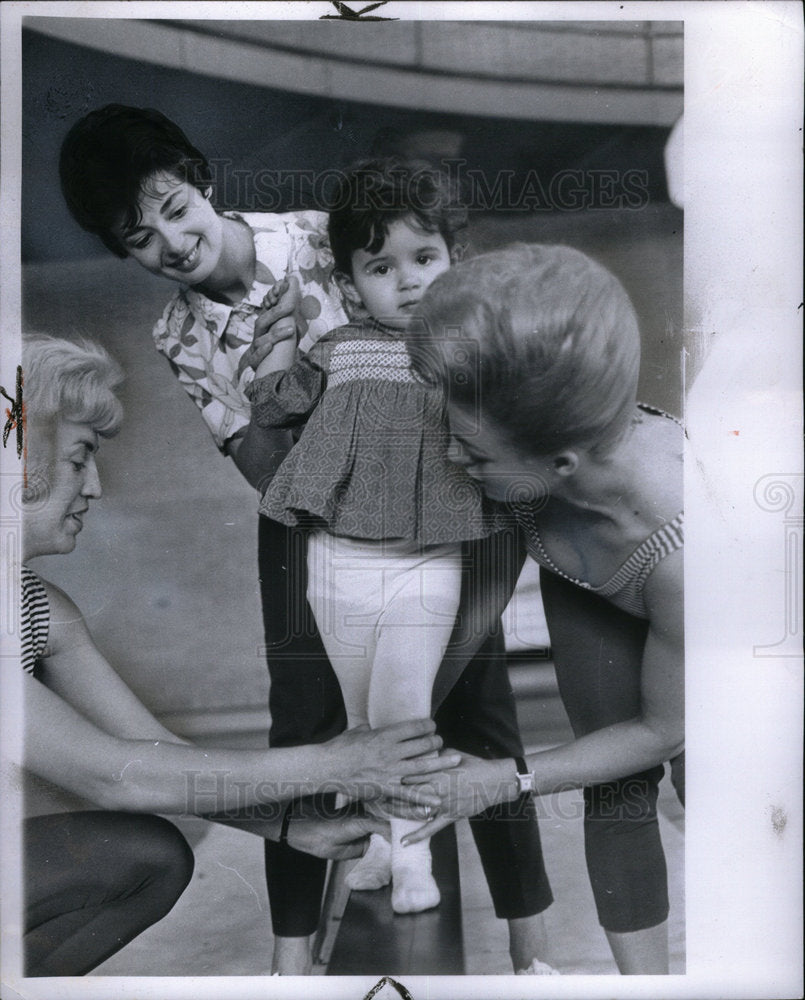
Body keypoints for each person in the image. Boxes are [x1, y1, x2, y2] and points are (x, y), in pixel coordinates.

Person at [58, 106, 553, 974]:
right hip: (302, 511)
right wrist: (277, 383)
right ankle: (290, 966)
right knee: (304, 724)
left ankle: (530, 956)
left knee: (477, 705)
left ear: (200, 177)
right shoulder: (176, 334)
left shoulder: (327, 237)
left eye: (176, 208)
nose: (172, 243)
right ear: (122, 250)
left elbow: (450, 327)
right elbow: (257, 461)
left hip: (434, 488)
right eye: (140, 238)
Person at [19, 334, 452, 976]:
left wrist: (285, 829)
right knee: (136, 852)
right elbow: (111, 775)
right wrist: (334, 763)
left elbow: (152, 749)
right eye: (80, 458)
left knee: (151, 859)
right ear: (17, 456)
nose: (97, 487)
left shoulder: (35, 601)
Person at [404, 244, 685, 975]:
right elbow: (463, 623)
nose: (452, 460)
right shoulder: (525, 472)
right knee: (611, 785)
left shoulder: (690, 545)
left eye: (468, 449)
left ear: (559, 461)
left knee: (719, 790)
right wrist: (391, 738)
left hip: (714, 620)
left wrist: (505, 779)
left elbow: (663, 728)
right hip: (589, 567)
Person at [245, 158, 511, 916]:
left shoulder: (467, 350)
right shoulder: (338, 350)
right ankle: (383, 843)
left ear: (453, 259)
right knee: (363, 727)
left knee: (403, 710)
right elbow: (270, 405)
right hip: (335, 565)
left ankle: (416, 856)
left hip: (427, 561)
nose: (407, 281)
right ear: (351, 282)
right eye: (381, 267)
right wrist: (282, 329)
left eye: (425, 258)